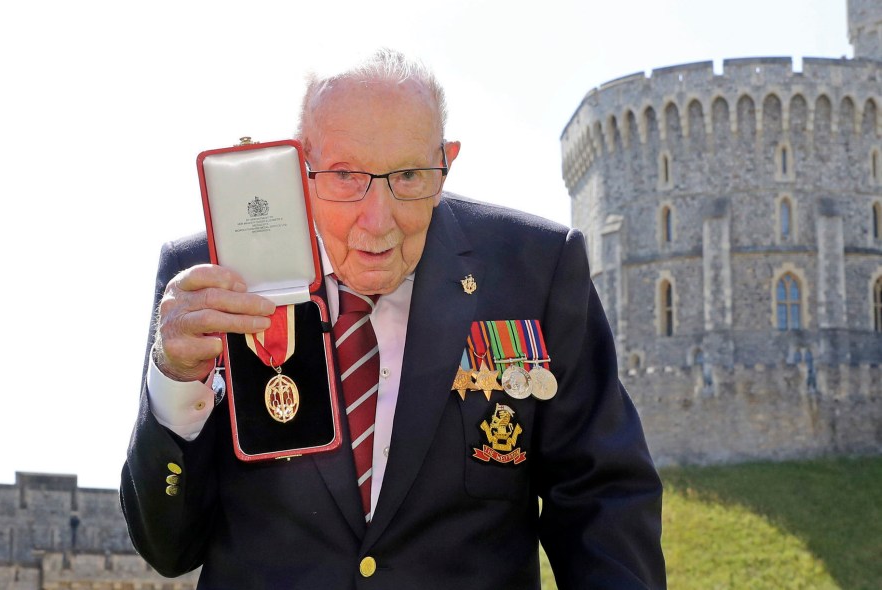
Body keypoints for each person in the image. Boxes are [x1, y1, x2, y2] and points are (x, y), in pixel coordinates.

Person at [121, 49, 666, 589]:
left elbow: (602, 501)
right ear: (297, 165)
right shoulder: (211, 279)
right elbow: (169, 549)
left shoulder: (537, 270)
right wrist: (174, 384)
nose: (377, 220)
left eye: (408, 175)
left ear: (446, 160)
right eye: (343, 175)